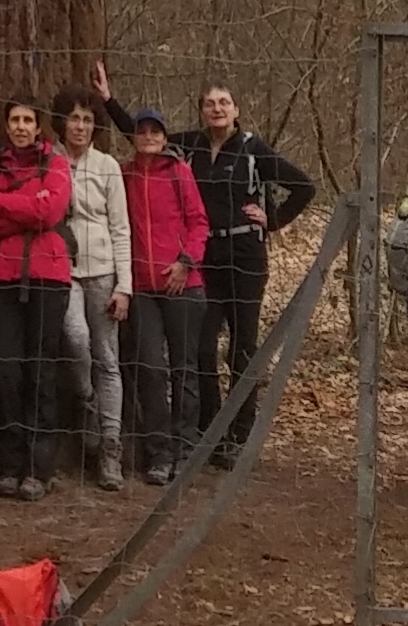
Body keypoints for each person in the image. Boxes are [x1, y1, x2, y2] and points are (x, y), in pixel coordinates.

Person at [92, 58, 314, 458]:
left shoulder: (251, 149)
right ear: (201, 110)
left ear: (236, 110)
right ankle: (211, 429)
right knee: (202, 348)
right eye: (210, 103)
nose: (217, 109)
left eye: (224, 102)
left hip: (245, 256)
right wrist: (109, 101)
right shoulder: (190, 145)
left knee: (242, 347)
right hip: (204, 258)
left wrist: (274, 219)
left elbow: (303, 186)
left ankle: (238, 434)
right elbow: (142, 139)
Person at [0, 95, 74, 496]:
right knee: (6, 371)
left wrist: (1, 205)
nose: (21, 126)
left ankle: (39, 466)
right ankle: (10, 463)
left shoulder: (56, 164)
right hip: (2, 280)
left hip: (48, 278)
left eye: (28, 120)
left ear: (38, 125)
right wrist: (25, 206)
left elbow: (50, 213)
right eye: (14, 119)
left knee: (41, 371)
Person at [120, 105, 210, 483]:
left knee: (184, 369)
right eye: (143, 131)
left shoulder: (179, 172)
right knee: (151, 371)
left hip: (183, 284)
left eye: (156, 131)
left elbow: (199, 222)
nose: (150, 137)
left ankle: (186, 448)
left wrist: (185, 261)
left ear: (165, 136)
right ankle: (158, 451)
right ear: (135, 136)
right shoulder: (123, 175)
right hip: (142, 288)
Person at [52, 90, 130, 488]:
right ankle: (87, 405)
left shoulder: (107, 166)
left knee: (107, 357)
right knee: (75, 339)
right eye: (73, 118)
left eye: (86, 119)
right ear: (62, 122)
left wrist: (125, 286)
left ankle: (110, 447)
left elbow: (121, 228)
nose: (80, 126)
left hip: (103, 271)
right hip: (64, 269)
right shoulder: (50, 160)